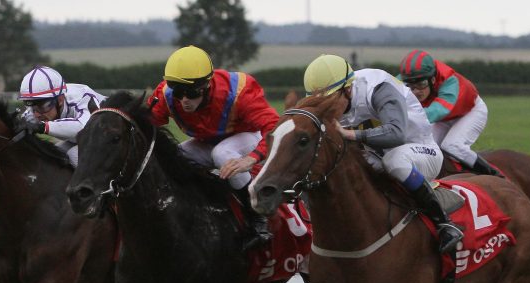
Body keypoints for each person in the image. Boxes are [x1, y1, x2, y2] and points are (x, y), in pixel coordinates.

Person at [303, 54, 462, 254]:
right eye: (319, 102)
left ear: (348, 89)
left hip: (421, 151)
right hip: (376, 155)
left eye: (329, 101)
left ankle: (445, 224)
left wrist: (350, 134)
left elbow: (396, 133)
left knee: (394, 161)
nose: (326, 108)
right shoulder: (339, 96)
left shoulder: (377, 87)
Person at [148, 45, 280, 252]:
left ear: (206, 86)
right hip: (207, 141)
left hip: (246, 136)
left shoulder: (239, 91)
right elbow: (147, 123)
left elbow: (274, 127)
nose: (183, 101)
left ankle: (257, 218)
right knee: (175, 156)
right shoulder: (165, 94)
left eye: (190, 93)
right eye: (178, 92)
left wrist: (251, 158)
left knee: (222, 154)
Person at [398, 49, 501, 176]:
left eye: (421, 84)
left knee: (452, 146)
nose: (415, 92)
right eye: (409, 86)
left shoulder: (449, 81)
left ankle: (494, 174)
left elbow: (437, 112)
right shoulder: (404, 79)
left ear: (433, 80)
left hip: (470, 112)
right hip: (445, 118)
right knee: (425, 149)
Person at [18, 65, 106, 168]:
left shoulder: (83, 98)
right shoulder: (37, 109)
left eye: (43, 106)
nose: (36, 114)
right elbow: (19, 126)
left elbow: (85, 129)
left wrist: (42, 127)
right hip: (80, 141)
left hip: (107, 140)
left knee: (74, 155)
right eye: (32, 105)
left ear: (60, 100)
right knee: (51, 154)